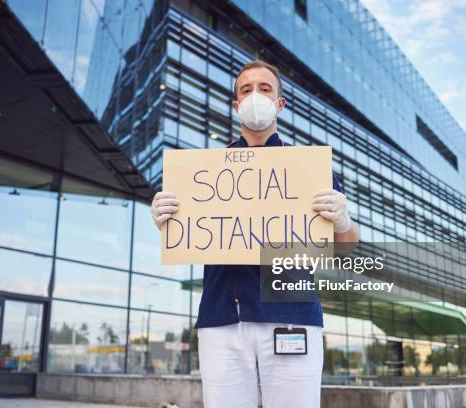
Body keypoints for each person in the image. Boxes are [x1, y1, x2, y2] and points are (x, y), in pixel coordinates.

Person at [150, 60, 360, 408]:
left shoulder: (310, 170)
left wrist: (342, 222)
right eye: (246, 90)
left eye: (265, 89)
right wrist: (168, 219)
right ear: (236, 105)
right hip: (222, 321)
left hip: (292, 317)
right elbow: (186, 233)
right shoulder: (203, 174)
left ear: (279, 104)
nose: (254, 96)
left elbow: (347, 247)